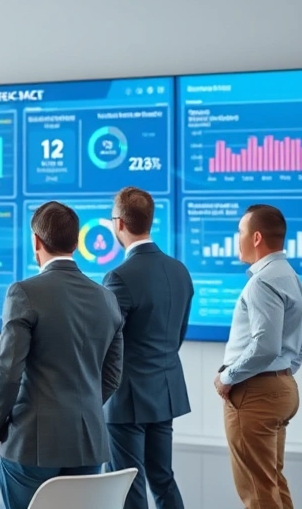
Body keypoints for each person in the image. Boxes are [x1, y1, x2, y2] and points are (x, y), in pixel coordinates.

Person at [0, 201, 124, 509]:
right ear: (75, 242)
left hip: (31, 444)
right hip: (87, 443)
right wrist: (79, 410)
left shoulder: (24, 293)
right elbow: (112, 376)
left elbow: (7, 372)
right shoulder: (107, 299)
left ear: (36, 241)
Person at [103, 187, 193, 509]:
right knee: (163, 478)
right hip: (165, 392)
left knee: (128, 483)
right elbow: (178, 335)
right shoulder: (179, 271)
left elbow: (106, 344)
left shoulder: (119, 277)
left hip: (126, 398)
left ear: (119, 223)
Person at [214, 204, 302, 509]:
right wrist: (280, 376)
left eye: (240, 231)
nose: (237, 238)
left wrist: (228, 377)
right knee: (272, 482)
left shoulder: (262, 282)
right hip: (282, 387)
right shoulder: (292, 278)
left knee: (257, 492)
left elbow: (265, 346)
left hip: (254, 393)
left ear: (256, 238)